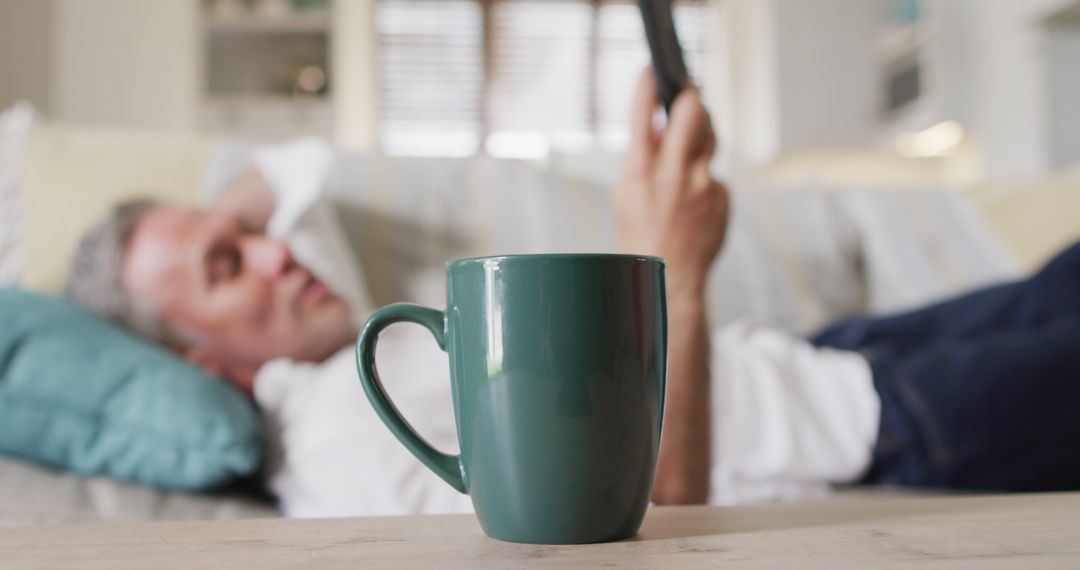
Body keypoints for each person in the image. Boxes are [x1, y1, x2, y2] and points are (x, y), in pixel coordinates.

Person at [66, 69, 1080, 515]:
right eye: (226, 267)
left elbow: (289, 168)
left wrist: (218, 229)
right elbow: (618, 528)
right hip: (870, 428)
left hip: (817, 360)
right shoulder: (335, 450)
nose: (275, 251)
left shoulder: (335, 358)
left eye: (247, 236)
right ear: (196, 360)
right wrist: (672, 273)